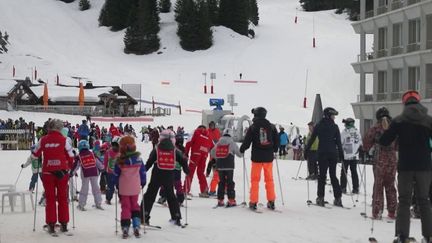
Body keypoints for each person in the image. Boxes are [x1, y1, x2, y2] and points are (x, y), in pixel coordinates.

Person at [378, 91, 432, 243]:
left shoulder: (399, 120)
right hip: (425, 167)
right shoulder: (428, 120)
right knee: (424, 200)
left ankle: (401, 236)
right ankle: (429, 236)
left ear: (405, 103)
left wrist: (381, 135)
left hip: (406, 167)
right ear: (419, 102)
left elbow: (384, 141)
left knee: (404, 200)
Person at [31, 119, 74, 234]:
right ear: (60, 128)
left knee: (50, 199)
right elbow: (71, 156)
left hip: (47, 173)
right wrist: (69, 167)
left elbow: (34, 154)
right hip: (62, 172)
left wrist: (39, 156)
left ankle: (51, 224)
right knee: (62, 198)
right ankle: (64, 224)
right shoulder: (64, 140)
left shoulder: (43, 140)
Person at [142, 130, 189, 226]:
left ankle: (143, 216)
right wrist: (186, 170)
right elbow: (183, 160)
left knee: (150, 194)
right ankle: (176, 217)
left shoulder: (157, 148)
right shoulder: (175, 150)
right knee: (171, 196)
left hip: (157, 174)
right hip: (169, 175)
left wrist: (143, 171)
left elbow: (150, 161)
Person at [240, 107, 279, 211]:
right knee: (269, 179)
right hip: (268, 158)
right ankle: (271, 201)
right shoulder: (271, 127)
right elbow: (277, 140)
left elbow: (247, 142)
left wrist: (242, 148)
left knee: (255, 180)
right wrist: (275, 149)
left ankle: (253, 202)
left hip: (257, 158)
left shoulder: (253, 127)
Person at [304, 107, 344, 207]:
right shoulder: (335, 127)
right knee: (333, 175)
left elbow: (312, 139)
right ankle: (338, 198)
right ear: (329, 115)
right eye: (333, 116)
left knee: (322, 176)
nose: (334, 118)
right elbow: (338, 142)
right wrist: (341, 154)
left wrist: (306, 150)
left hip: (322, 153)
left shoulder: (319, 125)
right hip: (333, 154)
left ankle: (320, 198)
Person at [363, 107, 398, 220]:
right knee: (391, 186)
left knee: (378, 186)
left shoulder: (375, 128)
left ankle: (377, 212)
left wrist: (367, 150)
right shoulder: (394, 127)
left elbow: (366, 142)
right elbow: (398, 144)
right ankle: (392, 211)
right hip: (392, 160)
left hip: (379, 160)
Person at [113, 136, 146, 238]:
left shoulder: (120, 160)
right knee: (135, 205)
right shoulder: (139, 159)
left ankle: (126, 226)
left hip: (124, 187)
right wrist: (143, 182)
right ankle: (136, 225)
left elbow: (116, 174)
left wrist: (114, 183)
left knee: (126, 206)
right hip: (135, 187)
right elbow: (143, 172)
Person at [210, 129, 243, 207]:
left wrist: (218, 157)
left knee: (221, 182)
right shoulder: (232, 142)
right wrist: (242, 152)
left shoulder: (219, 142)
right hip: (229, 166)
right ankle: (231, 200)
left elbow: (212, 152)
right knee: (230, 182)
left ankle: (220, 200)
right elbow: (239, 154)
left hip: (220, 165)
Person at [71, 140, 104, 211]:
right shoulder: (92, 154)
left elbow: (75, 166)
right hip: (94, 173)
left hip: (85, 174)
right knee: (96, 187)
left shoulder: (79, 156)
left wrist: (71, 173)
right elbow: (98, 162)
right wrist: (102, 168)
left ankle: (81, 204)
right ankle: (98, 203)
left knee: (84, 188)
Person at [183, 125, 213, 197]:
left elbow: (188, 142)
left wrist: (186, 153)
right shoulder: (209, 135)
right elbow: (212, 147)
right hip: (204, 155)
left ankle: (186, 190)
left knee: (190, 171)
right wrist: (213, 158)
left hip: (196, 154)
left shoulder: (195, 132)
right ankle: (204, 190)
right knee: (201, 172)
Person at [340, 118, 362, 194]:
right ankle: (355, 188)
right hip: (355, 155)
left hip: (346, 155)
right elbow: (360, 142)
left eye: (345, 123)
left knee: (344, 172)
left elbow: (340, 142)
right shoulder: (357, 131)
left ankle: (343, 188)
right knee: (354, 171)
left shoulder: (345, 132)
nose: (344, 125)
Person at [104, 136, 120, 205]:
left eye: (117, 146)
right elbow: (105, 161)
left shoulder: (121, 152)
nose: (115, 147)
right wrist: (104, 169)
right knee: (110, 187)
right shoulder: (108, 152)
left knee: (120, 186)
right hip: (110, 172)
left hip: (119, 173)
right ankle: (108, 199)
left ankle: (122, 198)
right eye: (114, 145)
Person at [207, 121, 221, 196]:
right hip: (211, 150)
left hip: (217, 150)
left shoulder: (217, 131)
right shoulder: (207, 131)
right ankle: (211, 171)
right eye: (210, 125)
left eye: (213, 125)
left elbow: (218, 139)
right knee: (211, 162)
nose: (212, 126)